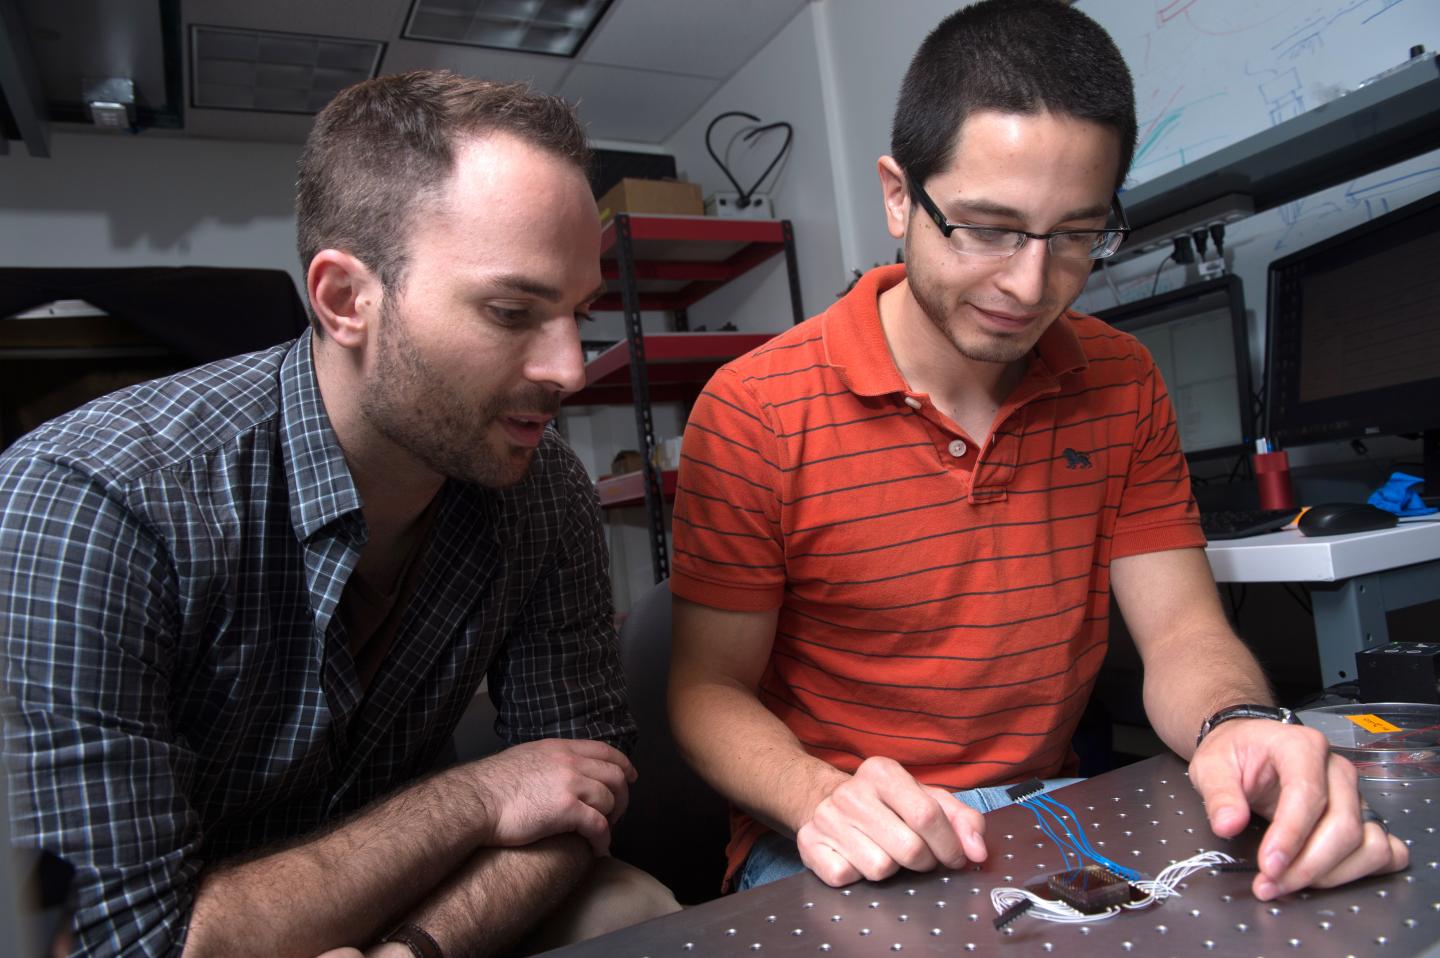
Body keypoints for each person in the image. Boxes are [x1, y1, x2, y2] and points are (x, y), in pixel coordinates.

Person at [667, 0, 1408, 901]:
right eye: (987, 228)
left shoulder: (1122, 379)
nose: (1030, 285)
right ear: (899, 194)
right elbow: (706, 691)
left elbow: (1180, 631)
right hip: (839, 828)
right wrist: (817, 794)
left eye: (1075, 237)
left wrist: (1238, 722)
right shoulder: (755, 409)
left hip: (1043, 806)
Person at [0, 71, 680, 957]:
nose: (568, 369)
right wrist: (473, 797)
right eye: (512, 311)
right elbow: (123, 941)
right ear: (345, 300)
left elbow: (580, 784)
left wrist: (419, 949)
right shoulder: (94, 499)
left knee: (633, 910)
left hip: (397, 892)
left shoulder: (541, 484)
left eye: (577, 315)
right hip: (181, 910)